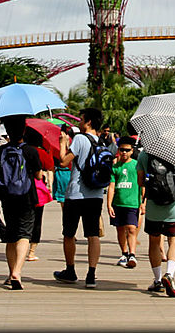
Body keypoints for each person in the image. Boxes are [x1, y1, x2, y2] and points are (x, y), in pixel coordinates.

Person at [0, 116, 43, 290]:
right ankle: (17, 272)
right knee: (24, 234)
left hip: (7, 198)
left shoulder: (0, 151)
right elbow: (38, 176)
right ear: (24, 131)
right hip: (27, 197)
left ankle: (11, 271)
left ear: (8, 132)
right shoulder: (31, 151)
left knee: (11, 236)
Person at [54, 107, 106, 289]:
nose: (79, 122)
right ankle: (91, 275)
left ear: (88, 122)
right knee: (93, 235)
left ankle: (70, 270)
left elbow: (63, 161)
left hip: (76, 193)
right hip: (96, 194)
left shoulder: (80, 139)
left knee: (69, 233)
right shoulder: (102, 142)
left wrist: (62, 143)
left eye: (81, 119)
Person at [137, 152, 175, 298]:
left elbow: (140, 182)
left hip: (153, 205)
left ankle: (158, 280)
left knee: (154, 241)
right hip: (174, 205)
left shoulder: (144, 155)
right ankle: (170, 274)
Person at [106, 136, 141, 268]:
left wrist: (143, 202)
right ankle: (124, 253)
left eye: (127, 150)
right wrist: (109, 204)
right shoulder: (116, 167)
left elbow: (142, 184)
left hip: (132, 202)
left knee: (132, 228)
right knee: (120, 229)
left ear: (132, 151)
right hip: (118, 202)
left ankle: (132, 254)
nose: (124, 152)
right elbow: (112, 186)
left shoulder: (137, 165)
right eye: (122, 150)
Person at [27, 175, 52, 261]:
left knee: (21, 223)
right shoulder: (36, 161)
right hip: (37, 191)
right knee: (37, 222)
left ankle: (20, 250)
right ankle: (31, 252)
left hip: (17, 191)